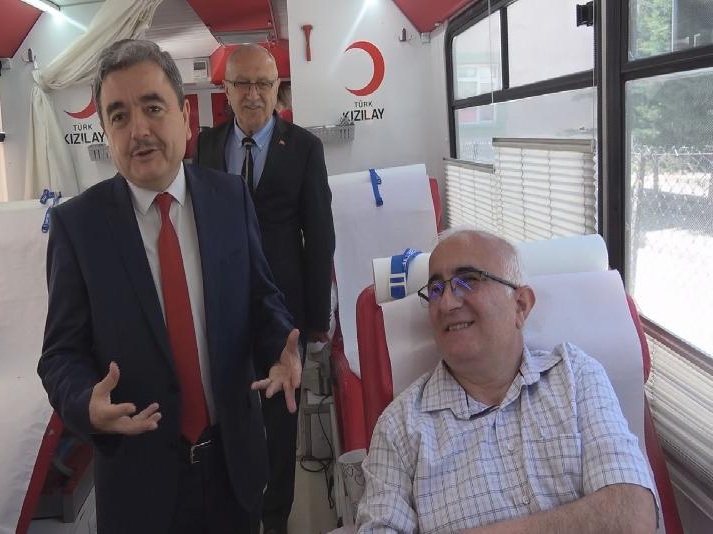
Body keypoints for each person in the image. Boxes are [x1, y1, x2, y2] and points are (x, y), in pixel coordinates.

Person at [38, 39, 302, 534]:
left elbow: (260, 298)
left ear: (184, 117)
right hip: (139, 482)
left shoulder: (230, 198)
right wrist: (84, 403)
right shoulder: (78, 227)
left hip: (233, 467)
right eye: (119, 116)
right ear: (105, 132)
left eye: (153, 107)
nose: (138, 130)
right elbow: (59, 355)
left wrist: (280, 348)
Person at [357, 229, 658, 533]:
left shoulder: (576, 376)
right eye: (435, 289)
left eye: (468, 280)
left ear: (520, 305)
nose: (446, 303)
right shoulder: (399, 427)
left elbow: (633, 515)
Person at [195, 44, 335, 534]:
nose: (253, 94)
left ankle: (275, 520)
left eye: (263, 84)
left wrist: (316, 319)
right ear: (226, 90)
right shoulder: (206, 146)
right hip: (220, 305)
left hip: (284, 310)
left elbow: (319, 236)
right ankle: (234, 511)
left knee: (280, 420)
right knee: (227, 412)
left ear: (278, 88)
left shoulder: (304, 148)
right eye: (242, 84)